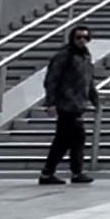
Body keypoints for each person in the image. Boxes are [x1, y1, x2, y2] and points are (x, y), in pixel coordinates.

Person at [40, 24, 99, 185]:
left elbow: (89, 80)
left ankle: (54, 172)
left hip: (79, 103)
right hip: (66, 103)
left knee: (66, 139)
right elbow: (52, 79)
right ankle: (71, 172)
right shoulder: (64, 55)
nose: (82, 40)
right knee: (73, 138)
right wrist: (50, 103)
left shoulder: (85, 56)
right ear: (72, 38)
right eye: (78, 37)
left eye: (85, 37)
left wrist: (95, 99)